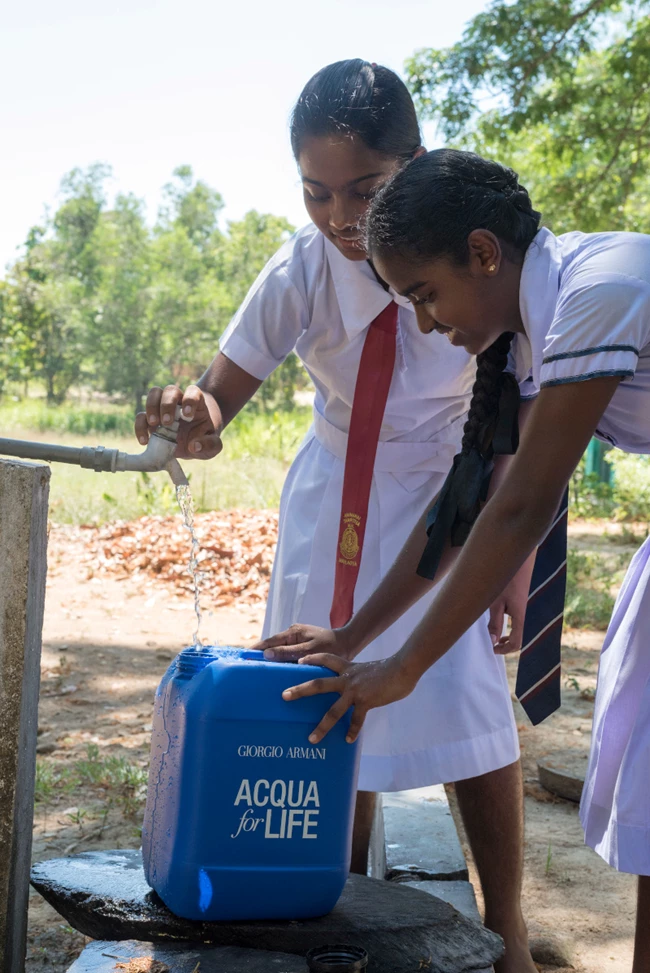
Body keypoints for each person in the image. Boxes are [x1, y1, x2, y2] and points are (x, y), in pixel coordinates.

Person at [137, 67, 535, 971]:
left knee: (469, 701)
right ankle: (328, 893)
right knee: (321, 693)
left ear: (416, 164)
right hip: (331, 502)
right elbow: (215, 404)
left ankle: (506, 924)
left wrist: (513, 561)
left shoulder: (471, 256)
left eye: (367, 189)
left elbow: (514, 420)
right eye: (316, 192)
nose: (340, 216)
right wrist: (188, 416)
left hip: (450, 493)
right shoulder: (301, 266)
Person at [263, 147, 650, 973]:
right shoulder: (527, 335)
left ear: (482, 252)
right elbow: (463, 505)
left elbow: (521, 507)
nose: (428, 324)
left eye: (426, 295)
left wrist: (400, 667)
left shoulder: (600, 289)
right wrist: (352, 635)